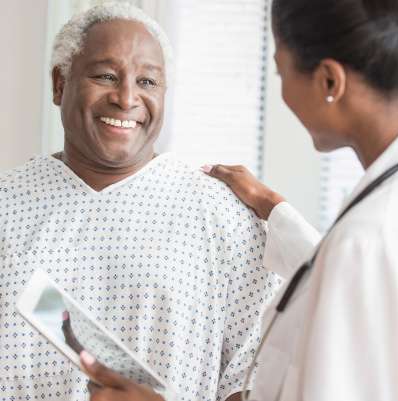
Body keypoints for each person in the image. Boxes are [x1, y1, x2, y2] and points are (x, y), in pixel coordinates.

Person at [76, 0, 398, 400]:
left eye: (280, 70)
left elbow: (358, 266)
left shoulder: (372, 239)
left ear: (328, 82)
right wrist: (274, 208)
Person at [0, 3, 280, 401]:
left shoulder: (223, 215)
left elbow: (256, 377)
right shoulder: (7, 207)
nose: (127, 97)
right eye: (106, 76)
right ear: (60, 84)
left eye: (148, 82)